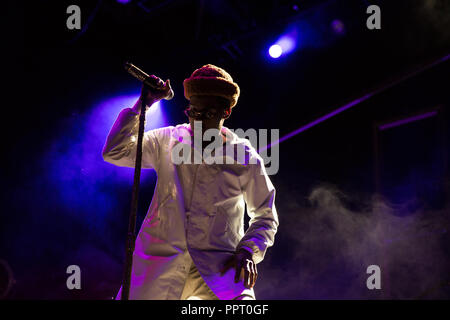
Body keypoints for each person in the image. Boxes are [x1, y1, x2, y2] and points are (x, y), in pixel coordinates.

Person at [103, 64, 278, 300]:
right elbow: (115, 151)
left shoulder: (244, 156)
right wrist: (143, 105)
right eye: (192, 112)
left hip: (217, 267)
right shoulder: (168, 140)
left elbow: (265, 214)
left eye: (205, 114)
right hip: (160, 262)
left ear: (225, 112)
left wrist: (248, 251)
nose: (196, 119)